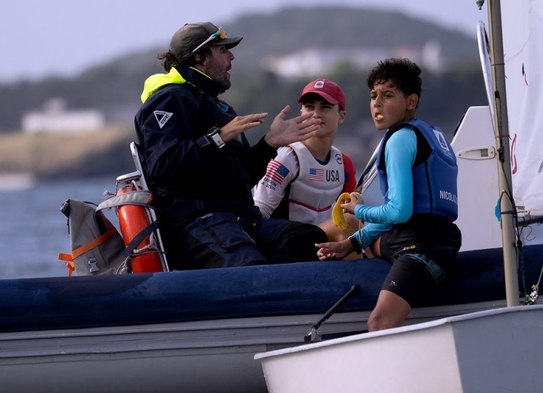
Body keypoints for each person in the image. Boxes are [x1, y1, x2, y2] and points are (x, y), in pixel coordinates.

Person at [134, 22, 328, 270]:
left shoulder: (220, 108)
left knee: (310, 241)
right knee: (250, 267)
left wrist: (269, 142)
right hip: (197, 222)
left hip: (243, 220)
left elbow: (244, 176)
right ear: (201, 57)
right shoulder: (170, 99)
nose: (231, 56)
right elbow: (162, 167)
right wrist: (218, 137)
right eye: (223, 50)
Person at [315, 58, 462, 331]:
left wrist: (358, 210)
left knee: (378, 323)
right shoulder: (430, 135)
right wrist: (351, 244)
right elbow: (404, 216)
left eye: (388, 95)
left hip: (420, 246)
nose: (377, 104)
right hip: (427, 236)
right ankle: (349, 249)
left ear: (411, 101)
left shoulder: (400, 139)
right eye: (373, 96)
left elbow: (399, 211)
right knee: (353, 238)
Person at [253, 78, 358, 242]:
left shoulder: (344, 164)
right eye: (309, 107)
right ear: (301, 112)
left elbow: (350, 215)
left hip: (323, 249)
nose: (316, 113)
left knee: (357, 223)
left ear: (341, 116)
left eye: (325, 107)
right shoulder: (286, 157)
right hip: (284, 246)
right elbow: (258, 214)